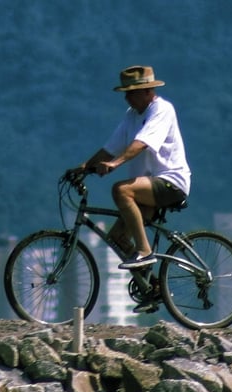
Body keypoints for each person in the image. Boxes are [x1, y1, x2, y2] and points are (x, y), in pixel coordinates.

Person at [77, 65, 191, 274]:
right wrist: (83, 168)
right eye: (126, 93)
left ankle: (144, 251)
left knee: (121, 190)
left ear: (148, 91)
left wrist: (114, 164)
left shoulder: (162, 110)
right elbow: (110, 148)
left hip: (170, 182)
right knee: (117, 239)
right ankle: (152, 287)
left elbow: (142, 143)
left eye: (132, 93)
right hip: (147, 188)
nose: (127, 98)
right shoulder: (132, 115)